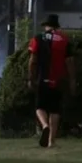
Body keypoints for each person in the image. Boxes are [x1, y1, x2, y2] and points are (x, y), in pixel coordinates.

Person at [28, 14, 76, 148]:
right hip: (58, 80)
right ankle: (51, 141)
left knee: (39, 107)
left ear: (46, 26)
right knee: (55, 110)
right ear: (57, 26)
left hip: (42, 78)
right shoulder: (64, 40)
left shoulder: (38, 39)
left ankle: (44, 126)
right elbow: (70, 62)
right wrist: (72, 81)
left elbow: (32, 61)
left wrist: (31, 78)